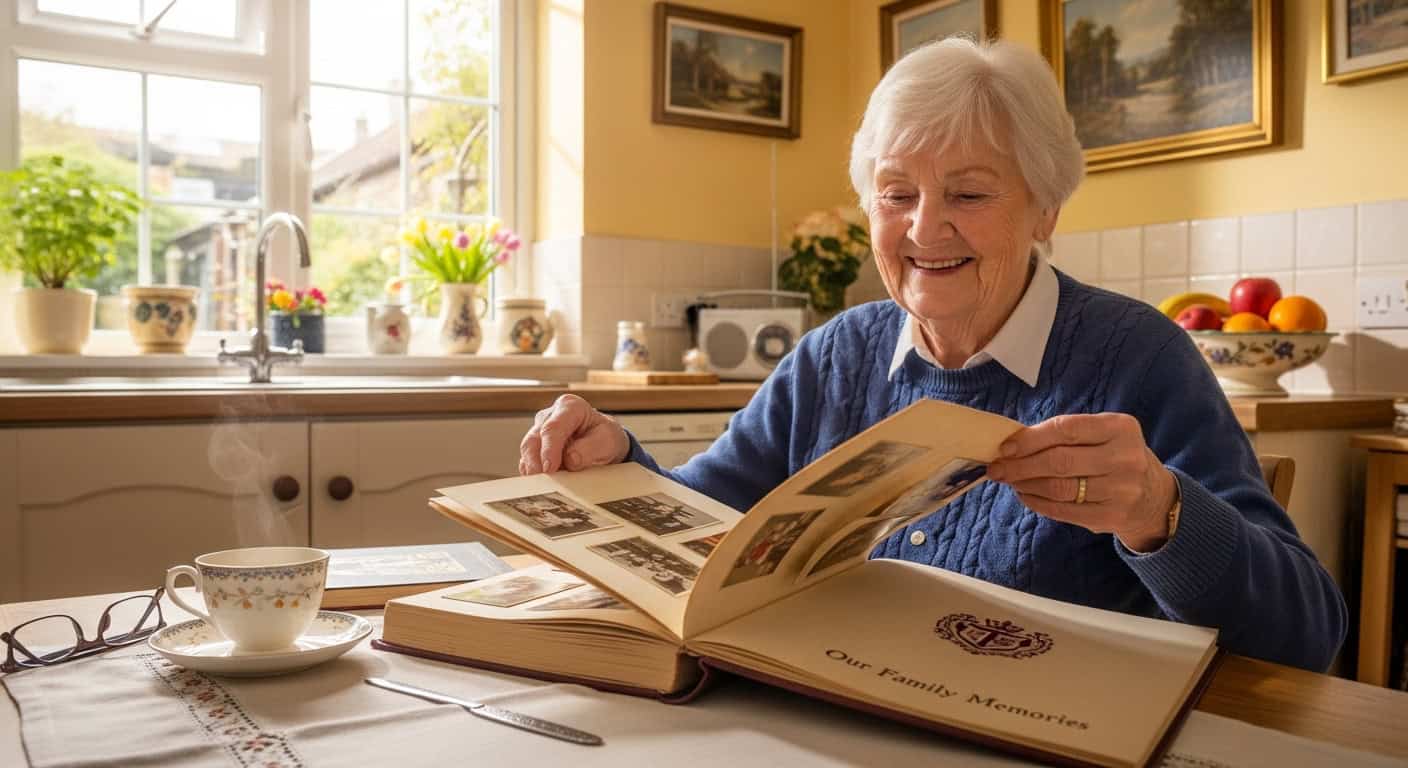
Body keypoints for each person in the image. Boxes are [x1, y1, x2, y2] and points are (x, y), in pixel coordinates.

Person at [518, 38, 1345, 672]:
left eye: (970, 193)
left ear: (1045, 207)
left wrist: (1160, 512)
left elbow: (1307, 634)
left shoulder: (1136, 356)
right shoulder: (836, 355)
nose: (923, 228)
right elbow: (703, 526)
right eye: (896, 193)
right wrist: (616, 465)